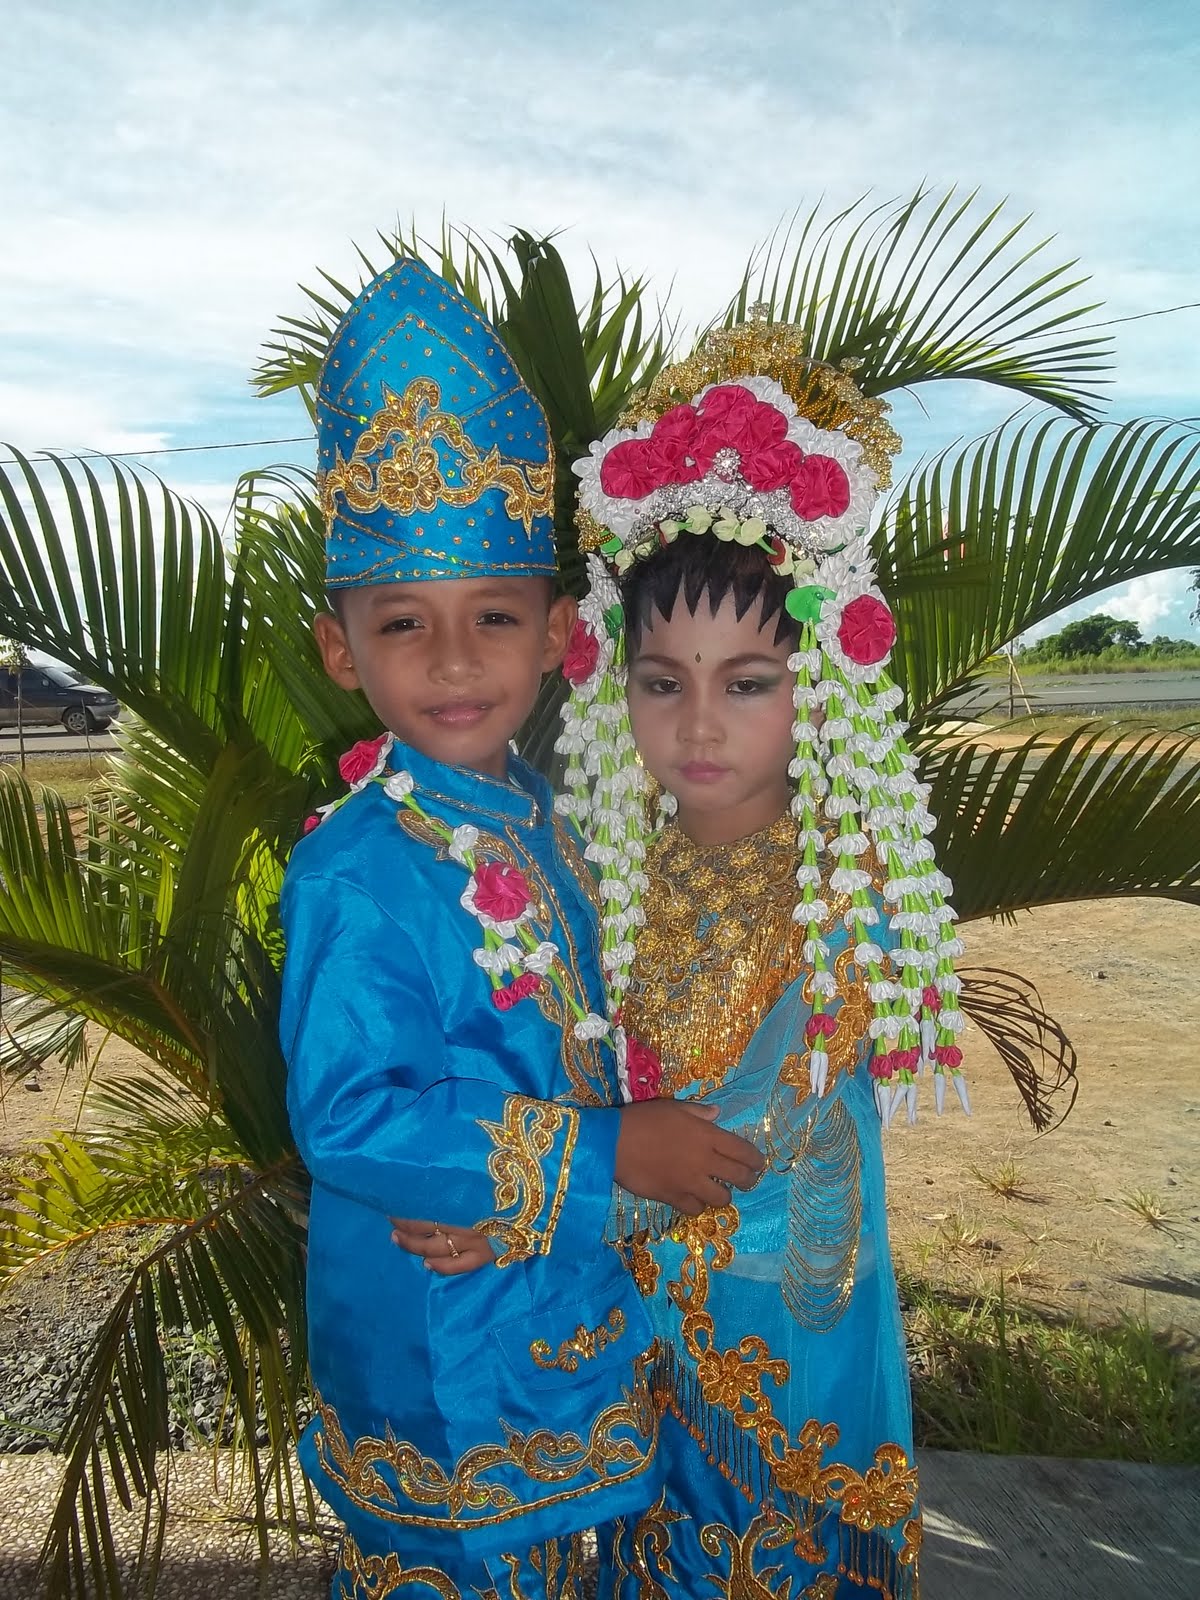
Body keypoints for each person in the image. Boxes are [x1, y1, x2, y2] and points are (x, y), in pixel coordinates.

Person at [405, 320, 968, 1598]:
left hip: (773, 1355)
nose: (699, 724)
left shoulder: (849, 892)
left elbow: (771, 1160)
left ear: (820, 678)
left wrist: (541, 1206)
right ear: (613, 685)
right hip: (618, 1344)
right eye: (664, 683)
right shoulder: (600, 870)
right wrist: (513, 1181)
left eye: (749, 681)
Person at [279, 258, 763, 1600]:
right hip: (438, 1350)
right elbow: (356, 1120)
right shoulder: (356, 873)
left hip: (552, 1304)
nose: (451, 661)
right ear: (340, 651)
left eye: (491, 617)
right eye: (402, 626)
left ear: (556, 634)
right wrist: (604, 1157)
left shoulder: (546, 821)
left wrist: (565, 1196)